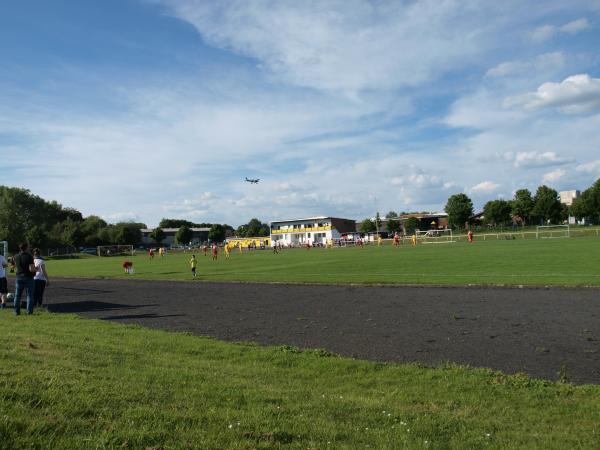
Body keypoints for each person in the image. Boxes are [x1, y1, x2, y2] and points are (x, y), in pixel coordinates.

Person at [13, 243, 35, 315]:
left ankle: (16, 311)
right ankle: (29, 312)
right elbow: (32, 269)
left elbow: (14, 267)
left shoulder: (16, 256)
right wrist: (36, 270)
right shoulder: (29, 256)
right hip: (28, 277)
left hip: (19, 277)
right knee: (29, 295)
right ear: (26, 248)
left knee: (17, 295)